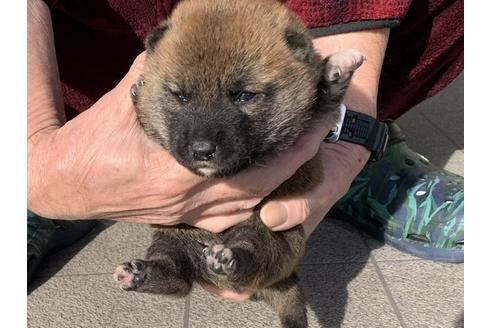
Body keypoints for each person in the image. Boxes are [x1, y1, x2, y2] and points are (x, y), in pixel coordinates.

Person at [28, 0, 464, 299]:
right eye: (180, 97)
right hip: (73, 80)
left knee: (269, 236)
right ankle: (37, 196)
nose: (202, 141)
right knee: (171, 247)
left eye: (244, 97)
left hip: (309, 75)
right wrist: (35, 152)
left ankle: (357, 152)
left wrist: (349, 142)